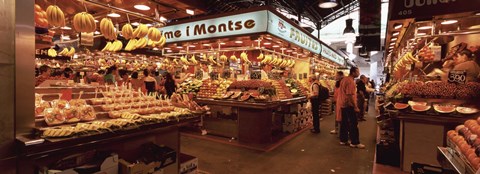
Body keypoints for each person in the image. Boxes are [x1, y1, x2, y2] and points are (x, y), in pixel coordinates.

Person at [338, 67, 365, 149]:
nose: (359, 73)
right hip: (349, 105)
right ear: (353, 72)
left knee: (344, 123)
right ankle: (355, 142)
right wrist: (355, 106)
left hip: (343, 104)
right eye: (358, 72)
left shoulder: (344, 79)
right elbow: (349, 95)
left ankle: (343, 140)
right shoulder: (350, 81)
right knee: (354, 123)